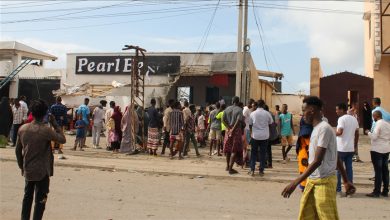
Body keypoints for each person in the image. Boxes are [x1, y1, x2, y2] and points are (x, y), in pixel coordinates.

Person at [282, 96, 355, 220]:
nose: (302, 114)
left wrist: (295, 183)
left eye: (303, 110)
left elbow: (317, 161)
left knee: (327, 217)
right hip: (313, 181)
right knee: (308, 215)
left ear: (311, 110)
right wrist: (346, 180)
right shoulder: (316, 129)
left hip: (324, 182)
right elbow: (335, 157)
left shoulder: (324, 129)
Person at [16, 99, 66, 220]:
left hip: (28, 169)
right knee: (41, 200)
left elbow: (18, 151)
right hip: (43, 171)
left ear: (31, 112)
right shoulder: (46, 130)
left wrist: (22, 167)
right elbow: (62, 139)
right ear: (45, 113)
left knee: (27, 198)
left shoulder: (23, 129)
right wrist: (54, 123)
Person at [335, 103, 359, 196]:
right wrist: (355, 144)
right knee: (349, 169)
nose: (336, 111)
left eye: (337, 109)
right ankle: (349, 191)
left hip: (341, 148)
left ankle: (338, 190)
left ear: (342, 110)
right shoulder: (354, 119)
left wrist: (331, 132)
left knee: (339, 170)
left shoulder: (341, 119)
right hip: (350, 148)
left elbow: (340, 132)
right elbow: (357, 133)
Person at [366, 111, 390, 197]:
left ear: (375, 116)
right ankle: (385, 190)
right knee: (385, 171)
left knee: (378, 171)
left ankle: (377, 191)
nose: (373, 118)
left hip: (377, 150)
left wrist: (368, 132)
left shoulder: (378, 124)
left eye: (373, 117)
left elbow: (374, 136)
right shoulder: (387, 124)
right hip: (386, 149)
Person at [248, 99, 273, 176]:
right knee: (263, 154)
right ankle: (261, 171)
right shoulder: (267, 113)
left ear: (257, 105)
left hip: (255, 136)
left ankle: (252, 170)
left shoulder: (253, 113)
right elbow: (271, 123)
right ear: (263, 105)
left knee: (253, 153)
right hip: (265, 136)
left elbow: (250, 124)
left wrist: (251, 133)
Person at [222, 96, 244, 174]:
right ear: (238, 102)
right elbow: (238, 121)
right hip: (236, 131)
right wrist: (233, 129)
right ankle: (231, 169)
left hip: (228, 131)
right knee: (234, 149)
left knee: (228, 149)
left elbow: (223, 120)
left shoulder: (227, 109)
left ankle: (227, 166)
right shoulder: (239, 109)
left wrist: (228, 128)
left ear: (232, 101)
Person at [296, 115, 313, 190]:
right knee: (306, 170)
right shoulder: (308, 132)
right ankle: (304, 186)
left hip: (302, 154)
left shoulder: (303, 131)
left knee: (303, 170)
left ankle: (303, 186)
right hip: (306, 154)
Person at [243, 99, 255, 165]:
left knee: (246, 146)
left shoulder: (249, 110)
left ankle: (245, 160)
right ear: (250, 104)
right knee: (246, 146)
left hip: (248, 129)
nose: (253, 106)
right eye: (253, 104)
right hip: (246, 129)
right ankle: (244, 161)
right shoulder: (246, 109)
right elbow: (243, 118)